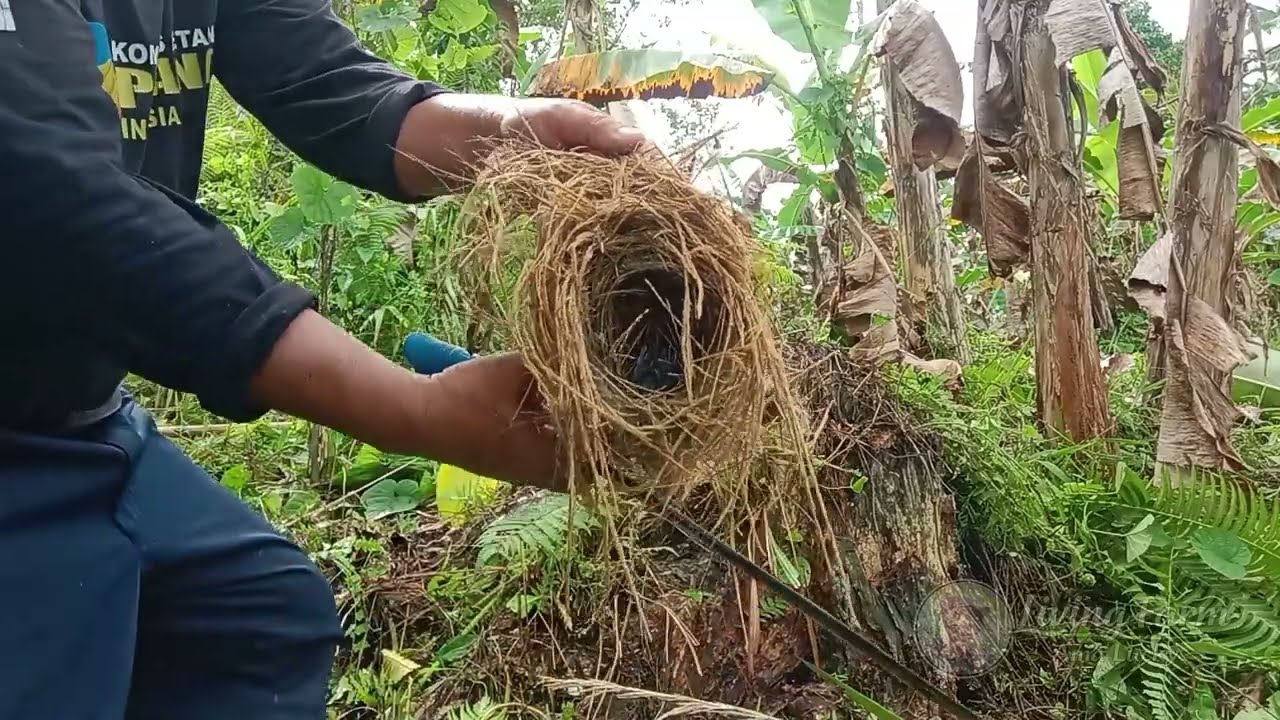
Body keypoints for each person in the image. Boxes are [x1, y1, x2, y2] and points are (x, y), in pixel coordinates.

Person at [0, 2, 648, 718]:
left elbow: (326, 79)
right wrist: (418, 411)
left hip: (75, 407)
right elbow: (53, 199)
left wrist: (510, 136)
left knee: (257, 622)